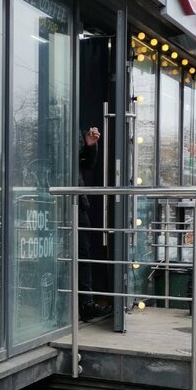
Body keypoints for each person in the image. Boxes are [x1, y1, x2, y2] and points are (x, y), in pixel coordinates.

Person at [78, 126, 111, 321]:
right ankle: (84, 303)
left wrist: (90, 146)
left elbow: (86, 164)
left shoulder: (74, 122)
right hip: (59, 200)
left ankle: (86, 304)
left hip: (77, 201)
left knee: (83, 252)